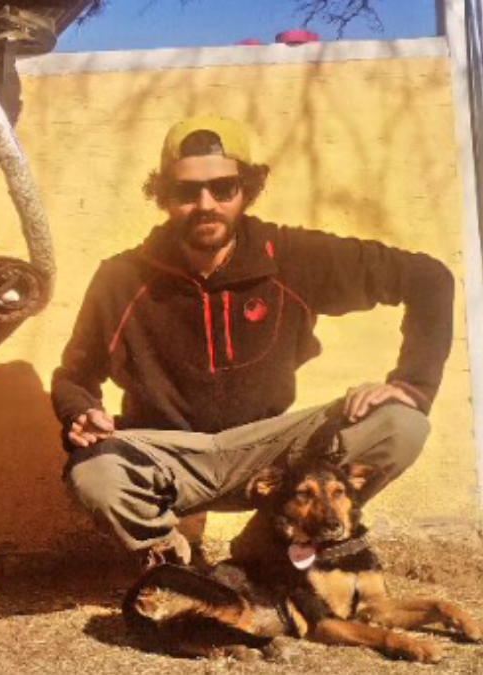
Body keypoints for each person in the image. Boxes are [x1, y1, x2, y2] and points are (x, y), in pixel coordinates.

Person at [51, 116, 454, 568]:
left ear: (247, 189)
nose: (205, 204)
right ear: (164, 196)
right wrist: (81, 411)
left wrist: (410, 382)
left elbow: (428, 279)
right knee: (93, 473)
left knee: (402, 424)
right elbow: (74, 376)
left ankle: (268, 546)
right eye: (187, 192)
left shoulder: (289, 256)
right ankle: (175, 567)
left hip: (272, 453)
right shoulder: (122, 278)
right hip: (174, 458)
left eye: (223, 188)